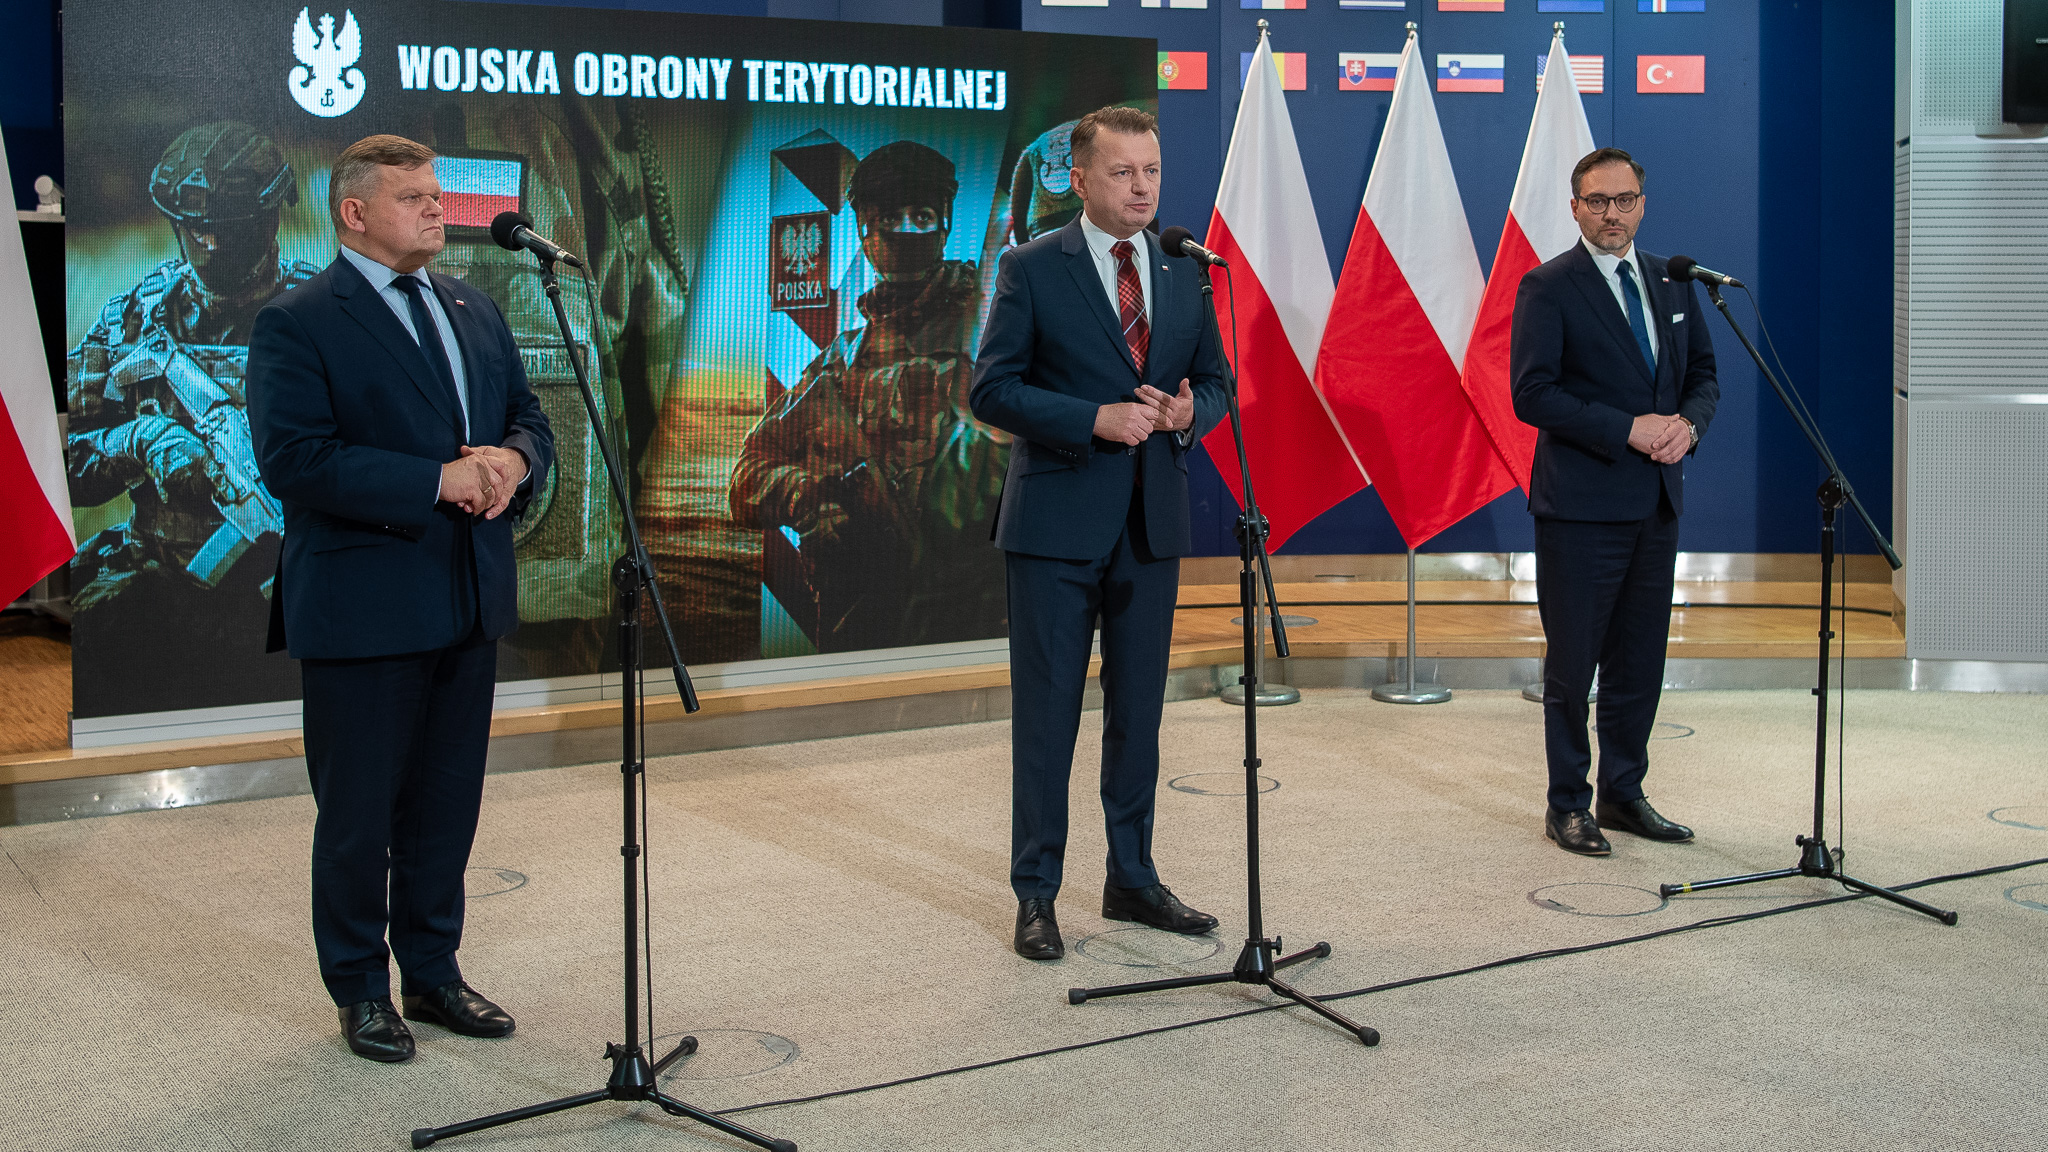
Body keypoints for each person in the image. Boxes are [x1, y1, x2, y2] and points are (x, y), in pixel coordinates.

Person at [247, 134, 553, 1061]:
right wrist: (434, 481)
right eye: (413, 196)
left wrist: (515, 462)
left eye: (435, 194)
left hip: (467, 596)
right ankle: (359, 989)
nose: (435, 208)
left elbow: (528, 417)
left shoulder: (473, 305)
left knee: (445, 806)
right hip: (364, 606)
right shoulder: (300, 319)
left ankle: (433, 973)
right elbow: (295, 461)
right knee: (359, 818)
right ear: (354, 213)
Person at [970, 106, 1228, 960]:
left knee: (1138, 715)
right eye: (1123, 172)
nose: (1142, 187)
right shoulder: (1031, 267)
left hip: (1150, 527)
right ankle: (1036, 893)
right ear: (1080, 181)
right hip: (1054, 527)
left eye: (1151, 170)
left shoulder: (1186, 269)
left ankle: (1133, 878)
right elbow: (991, 390)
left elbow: (1216, 384)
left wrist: (1189, 413)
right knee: (1048, 720)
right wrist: (1094, 418)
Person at [66, 122, 320, 710]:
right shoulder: (133, 320)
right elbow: (61, 466)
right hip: (161, 597)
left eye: (227, 229)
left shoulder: (327, 314)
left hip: (294, 593)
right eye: (194, 230)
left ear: (270, 220)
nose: (209, 245)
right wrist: (143, 440)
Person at [1510, 147, 1719, 856]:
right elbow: (1532, 394)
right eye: (1597, 201)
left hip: (1656, 504)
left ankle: (1624, 794)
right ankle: (1567, 803)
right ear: (1575, 208)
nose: (1612, 213)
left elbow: (1704, 376)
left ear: (1642, 205)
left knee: (1640, 662)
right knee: (1574, 667)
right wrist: (1626, 428)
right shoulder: (1548, 286)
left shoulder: (1674, 280)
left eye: (1624, 200)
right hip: (1579, 509)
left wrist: (1689, 427)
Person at [730, 140, 1007, 652]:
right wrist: (811, 497)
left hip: (972, 618)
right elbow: (748, 473)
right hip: (861, 620)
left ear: (944, 223)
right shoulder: (841, 360)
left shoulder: (991, 334)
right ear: (863, 228)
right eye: (887, 218)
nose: (904, 231)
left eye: (921, 216)